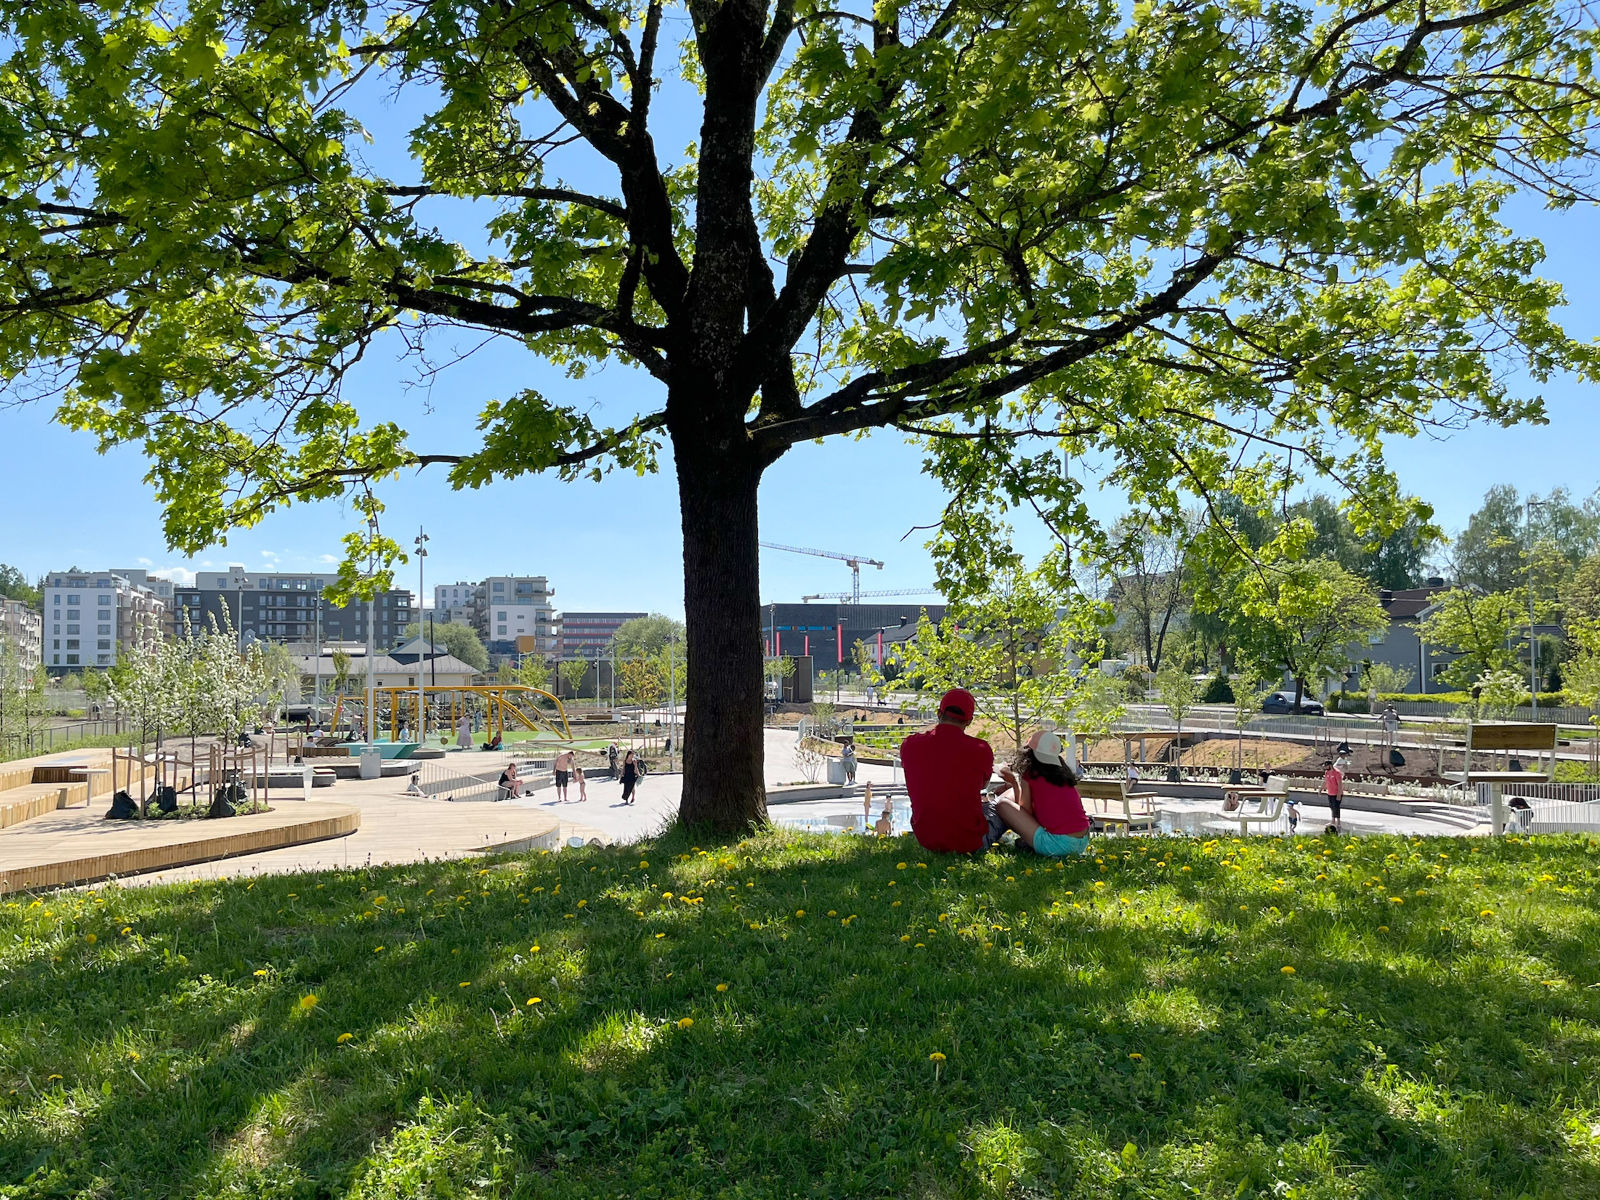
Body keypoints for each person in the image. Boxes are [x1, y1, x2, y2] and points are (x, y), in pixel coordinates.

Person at [899, 688, 1001, 853]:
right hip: (969, 842)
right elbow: (983, 785)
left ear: (939, 713)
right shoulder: (981, 749)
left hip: (927, 839)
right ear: (969, 720)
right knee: (1003, 803)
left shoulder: (910, 744)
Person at [992, 725, 1091, 856]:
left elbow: (1024, 811)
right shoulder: (1063, 775)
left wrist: (1014, 783)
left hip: (1057, 844)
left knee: (1002, 805)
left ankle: (1004, 837)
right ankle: (1029, 843)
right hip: (1082, 841)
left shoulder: (1030, 775)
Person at [1322, 758, 1343, 834]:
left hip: (1336, 793)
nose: (1325, 767)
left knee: (1336, 807)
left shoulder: (1337, 773)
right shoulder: (1327, 773)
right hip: (1330, 793)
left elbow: (1340, 784)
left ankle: (1338, 822)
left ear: (1330, 765)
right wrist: (1321, 789)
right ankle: (1333, 821)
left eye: (1326, 766)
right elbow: (1325, 782)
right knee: (1331, 807)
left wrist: (1339, 794)